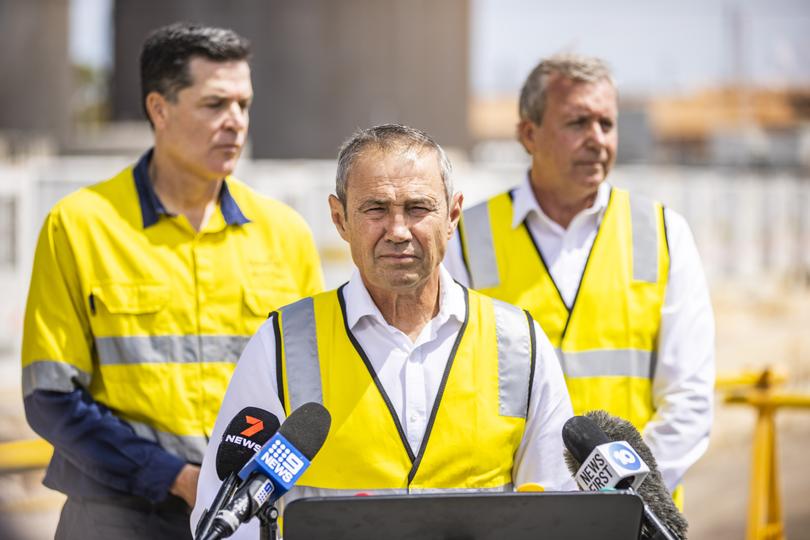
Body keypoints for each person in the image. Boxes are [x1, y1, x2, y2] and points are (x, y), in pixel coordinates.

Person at [192, 124, 575, 537]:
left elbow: (559, 509)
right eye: (376, 209)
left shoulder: (520, 342)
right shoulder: (281, 343)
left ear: (453, 215)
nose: (397, 231)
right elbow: (225, 521)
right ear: (339, 219)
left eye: (417, 208)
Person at [21, 23, 323, 539]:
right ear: (159, 109)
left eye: (244, 105)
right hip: (117, 518)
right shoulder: (79, 225)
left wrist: (262, 484)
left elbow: (312, 389)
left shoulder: (286, 233)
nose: (236, 123)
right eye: (215, 105)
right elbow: (50, 398)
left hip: (249, 517)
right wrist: (178, 478)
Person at [444, 54, 715, 506]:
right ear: (528, 134)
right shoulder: (466, 238)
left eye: (606, 124)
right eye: (577, 123)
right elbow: (448, 388)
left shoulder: (664, 234)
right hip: (514, 510)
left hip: (633, 513)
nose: (596, 139)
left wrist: (623, 492)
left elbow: (688, 398)